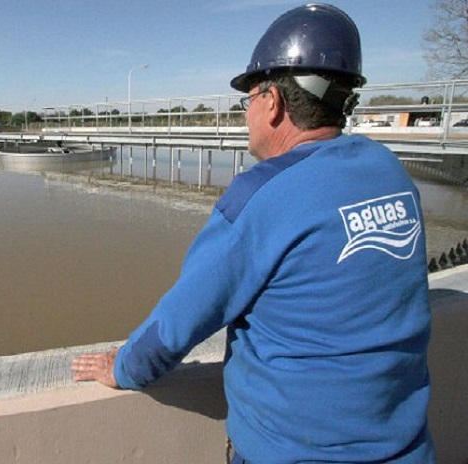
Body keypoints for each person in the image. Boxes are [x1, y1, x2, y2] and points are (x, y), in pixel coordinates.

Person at [72, 3, 435, 463]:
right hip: (408, 450)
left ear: (274, 102)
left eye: (248, 100)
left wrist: (123, 366)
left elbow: (178, 322)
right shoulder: (390, 173)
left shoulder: (262, 197)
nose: (246, 114)